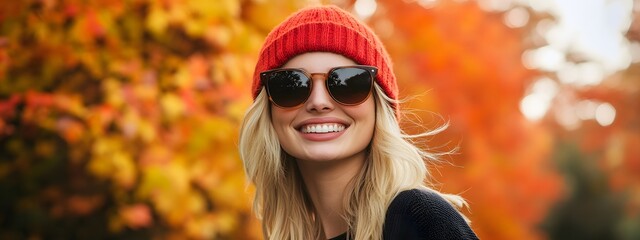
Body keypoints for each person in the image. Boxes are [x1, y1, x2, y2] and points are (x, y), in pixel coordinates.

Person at [238, 5, 478, 240]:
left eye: (347, 83)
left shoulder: (420, 218)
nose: (319, 102)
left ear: (379, 106)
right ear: (267, 112)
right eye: (291, 85)